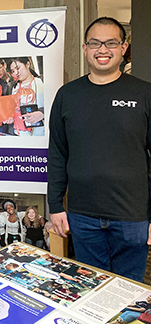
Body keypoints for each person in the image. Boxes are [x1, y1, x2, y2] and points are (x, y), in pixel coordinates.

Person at [48, 16, 151, 283]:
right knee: (89, 286)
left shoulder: (144, 94)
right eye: (95, 43)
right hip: (83, 215)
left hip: (133, 216)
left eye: (110, 43)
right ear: (84, 49)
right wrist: (56, 206)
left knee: (128, 290)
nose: (102, 49)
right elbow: (58, 153)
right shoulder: (67, 95)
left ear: (124, 48)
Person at [9, 57, 45, 136]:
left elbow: (54, 104)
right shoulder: (13, 87)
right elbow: (12, 108)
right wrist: (10, 116)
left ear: (27, 64)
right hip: (18, 133)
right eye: (13, 71)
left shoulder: (41, 82)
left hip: (39, 133)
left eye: (17, 68)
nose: (16, 73)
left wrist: (43, 113)